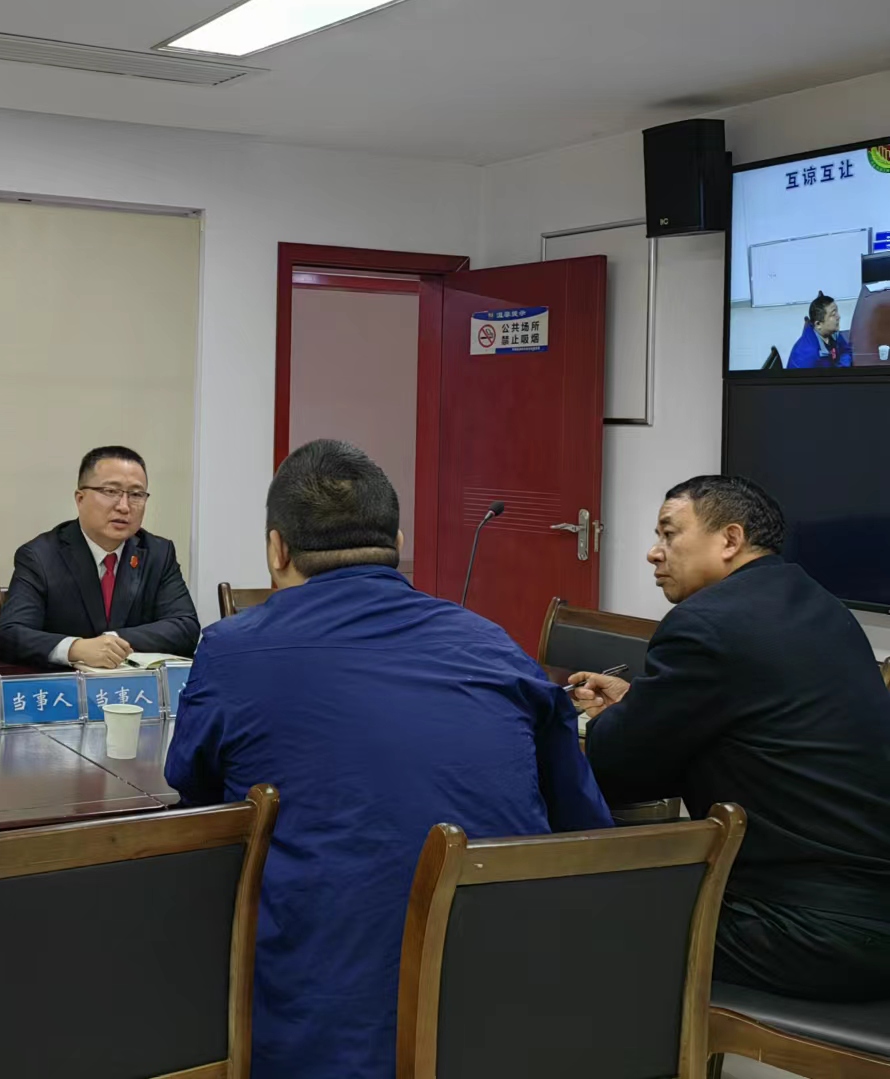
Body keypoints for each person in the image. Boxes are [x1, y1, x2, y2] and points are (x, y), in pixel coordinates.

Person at [166, 439, 609, 1079]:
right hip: (507, 1012)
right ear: (397, 541)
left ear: (277, 550)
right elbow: (582, 824)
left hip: (319, 1028)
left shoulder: (232, 650)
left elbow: (198, 803)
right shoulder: (491, 642)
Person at [571, 476, 890, 1000]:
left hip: (804, 929)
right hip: (868, 912)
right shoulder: (820, 606)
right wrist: (641, 706)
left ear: (730, 539)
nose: (654, 552)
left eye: (669, 533)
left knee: (564, 914)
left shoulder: (706, 624)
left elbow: (616, 773)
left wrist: (615, 721)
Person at [0, 446, 199, 667]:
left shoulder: (158, 553)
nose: (124, 506)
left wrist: (114, 641)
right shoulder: (40, 556)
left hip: (135, 684)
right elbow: (9, 635)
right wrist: (75, 648)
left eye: (136, 494)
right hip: (66, 684)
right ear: (80, 499)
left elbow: (185, 627)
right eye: (111, 491)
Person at [788, 290, 852, 367]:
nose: (838, 317)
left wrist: (842, 366)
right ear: (818, 324)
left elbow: (845, 350)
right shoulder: (808, 356)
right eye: (833, 314)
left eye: (837, 312)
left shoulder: (833, 333)